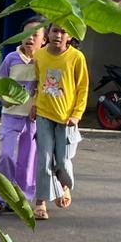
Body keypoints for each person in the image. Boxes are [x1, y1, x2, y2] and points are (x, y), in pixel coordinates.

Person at [31, 22, 88, 221]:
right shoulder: (39, 55)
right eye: (55, 30)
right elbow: (37, 84)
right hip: (44, 114)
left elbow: (83, 88)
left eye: (64, 32)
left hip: (67, 118)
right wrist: (34, 106)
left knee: (63, 160)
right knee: (43, 159)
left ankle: (63, 187)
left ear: (70, 37)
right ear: (48, 33)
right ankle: (40, 202)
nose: (59, 35)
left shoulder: (76, 57)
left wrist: (76, 114)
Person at [0, 21, 43, 214]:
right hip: (10, 116)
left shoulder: (43, 61)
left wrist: (37, 105)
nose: (30, 38)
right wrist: (4, 99)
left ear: (43, 40)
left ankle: (21, 199)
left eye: (35, 35)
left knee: (28, 160)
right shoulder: (11, 58)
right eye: (26, 34)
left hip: (33, 119)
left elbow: (46, 87)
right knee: (6, 155)